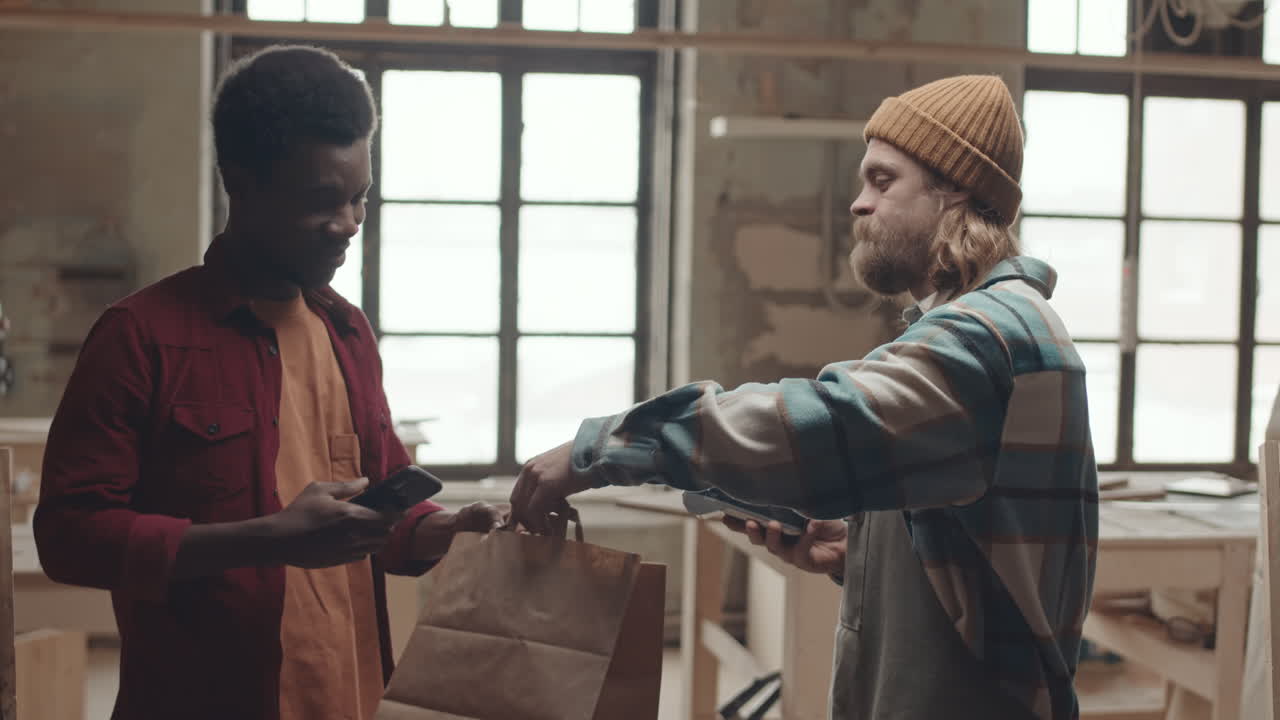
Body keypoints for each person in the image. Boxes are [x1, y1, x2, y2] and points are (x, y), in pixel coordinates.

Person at [509, 74, 1098, 720]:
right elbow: (974, 560)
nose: (856, 204)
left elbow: (823, 424)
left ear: (953, 192)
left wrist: (606, 446)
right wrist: (862, 557)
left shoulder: (988, 337)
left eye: (882, 180)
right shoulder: (983, 329)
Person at [33, 45, 504, 720]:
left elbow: (380, 512)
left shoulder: (347, 332)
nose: (347, 225)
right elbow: (69, 536)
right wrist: (273, 538)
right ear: (241, 182)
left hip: (357, 698)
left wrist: (448, 529)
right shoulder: (140, 337)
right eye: (321, 201)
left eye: (359, 198)